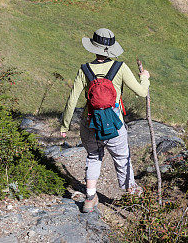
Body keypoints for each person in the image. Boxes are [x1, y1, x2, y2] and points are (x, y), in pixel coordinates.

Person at [60, 28, 150, 212]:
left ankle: (90, 199)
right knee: (122, 158)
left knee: (93, 157)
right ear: (111, 50)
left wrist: (65, 125)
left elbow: (72, 100)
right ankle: (131, 197)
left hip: (90, 123)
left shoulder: (84, 69)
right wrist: (145, 78)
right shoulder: (120, 68)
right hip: (114, 125)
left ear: (93, 48)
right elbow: (142, 92)